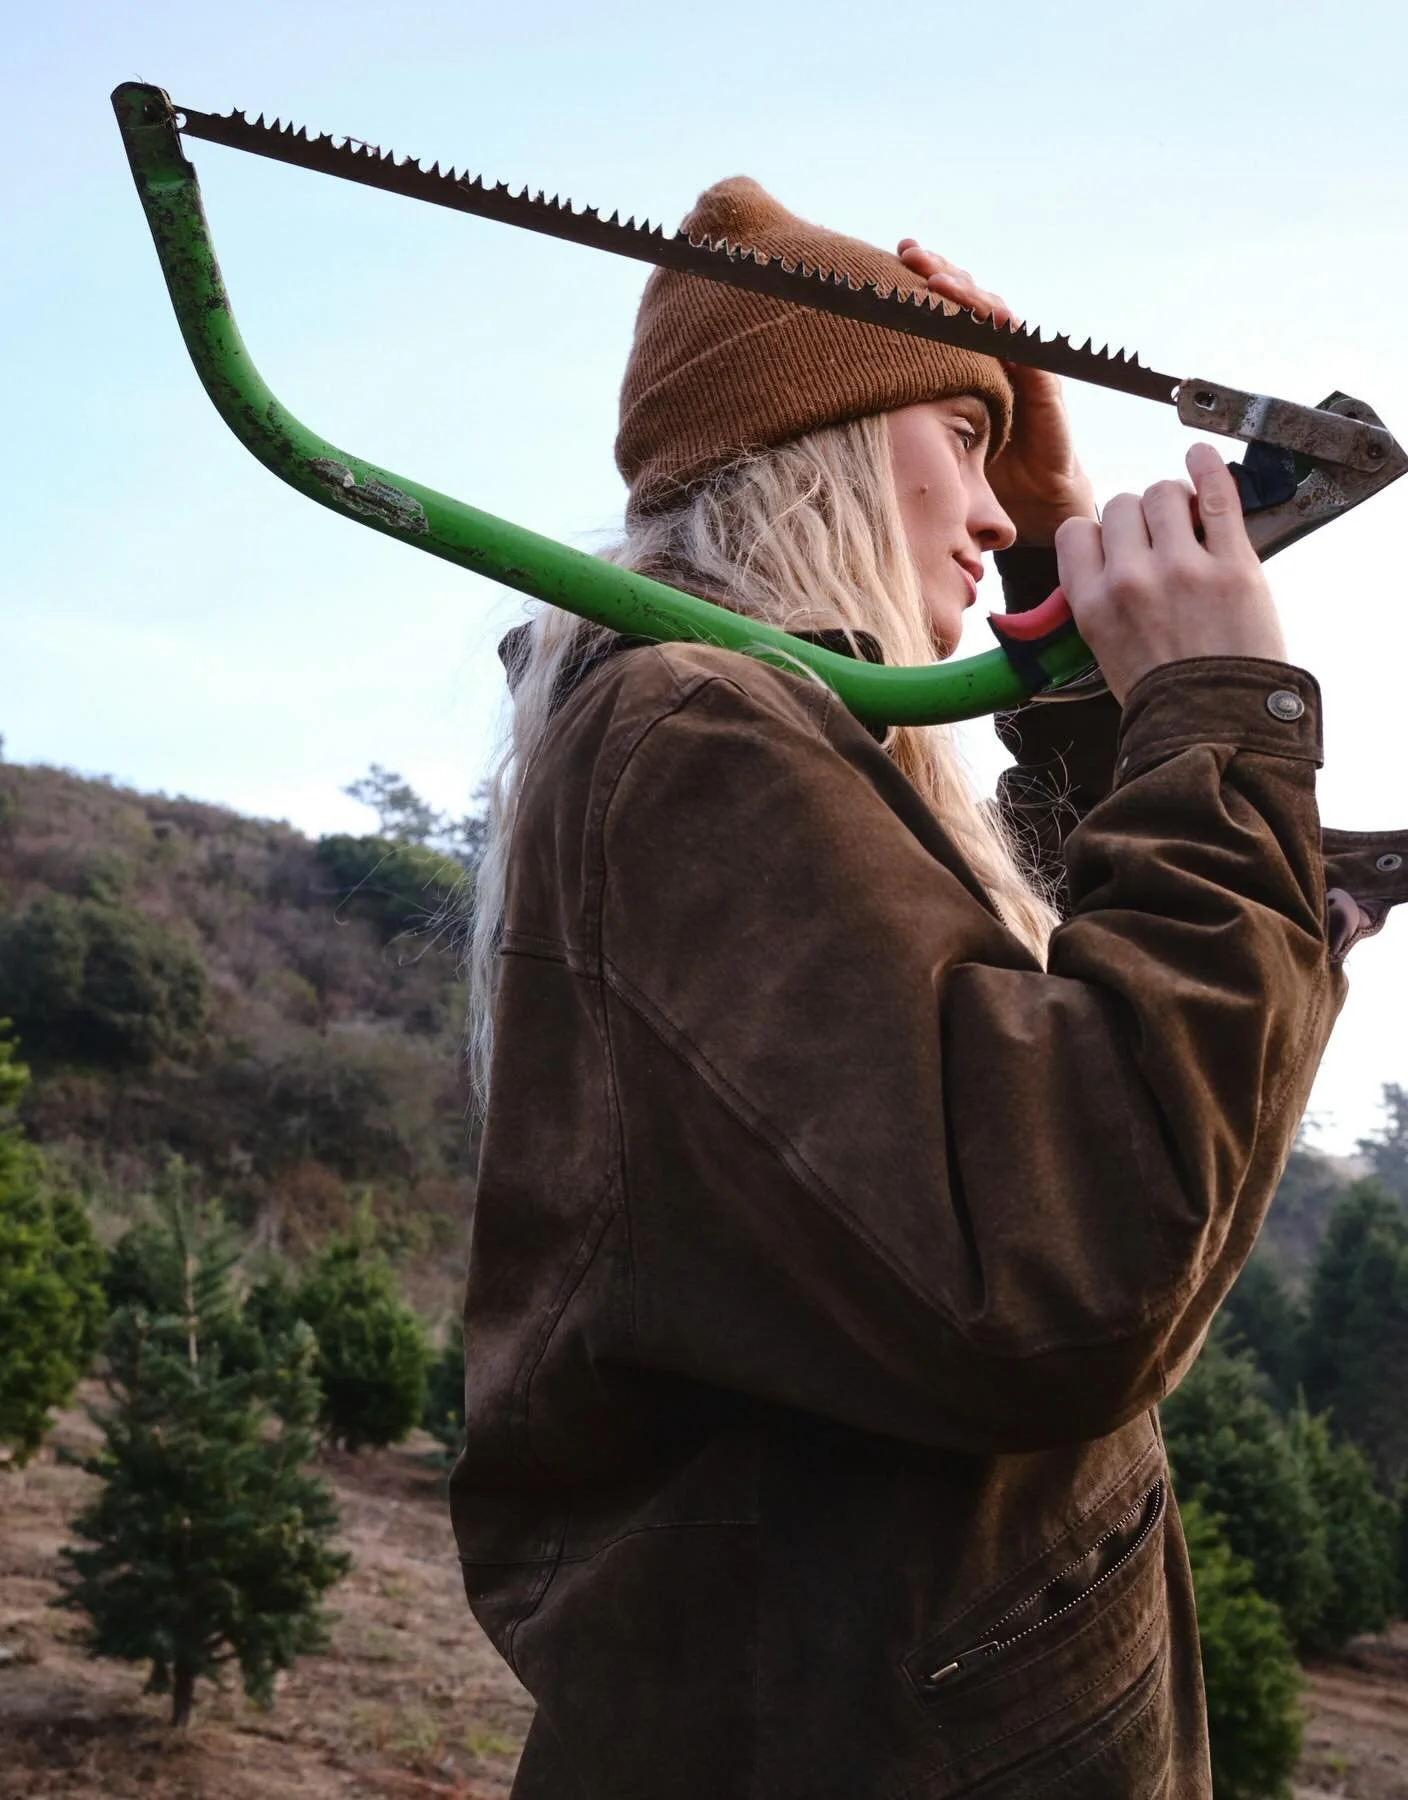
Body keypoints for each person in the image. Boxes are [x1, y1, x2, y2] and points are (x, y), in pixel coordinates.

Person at [447, 176, 1395, 1797]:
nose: (990, 516)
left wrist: (1096, 657)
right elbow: (1068, 1261)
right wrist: (1218, 724)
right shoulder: (700, 731)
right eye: (961, 444)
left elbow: (1040, 1029)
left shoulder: (767, 753)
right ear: (819, 440)